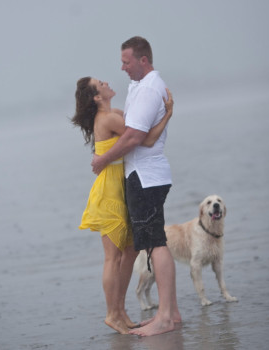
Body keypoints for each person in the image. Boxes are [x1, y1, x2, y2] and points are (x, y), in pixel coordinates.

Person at [91, 36, 182, 337]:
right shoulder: (141, 88)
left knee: (156, 243)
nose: (122, 67)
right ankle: (172, 314)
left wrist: (102, 160)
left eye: (126, 61)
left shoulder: (148, 89)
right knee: (156, 242)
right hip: (145, 175)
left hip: (145, 176)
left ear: (143, 60)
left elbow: (133, 138)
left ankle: (165, 317)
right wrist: (167, 114)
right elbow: (141, 135)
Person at [72, 77, 174, 334]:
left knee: (128, 252)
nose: (107, 83)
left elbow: (136, 124)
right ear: (97, 97)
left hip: (118, 188)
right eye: (101, 84)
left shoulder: (114, 114)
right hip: (110, 192)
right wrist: (168, 114)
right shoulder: (109, 119)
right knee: (112, 258)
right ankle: (112, 314)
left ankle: (120, 312)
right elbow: (146, 139)